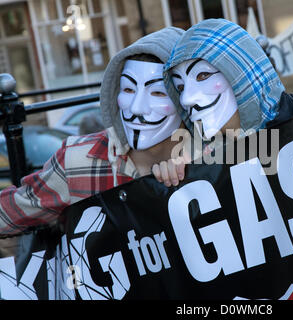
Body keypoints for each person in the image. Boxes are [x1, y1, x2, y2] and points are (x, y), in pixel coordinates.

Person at [0, 27, 184, 236]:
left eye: (158, 92)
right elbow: (11, 211)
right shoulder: (78, 161)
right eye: (129, 90)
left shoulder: (211, 157)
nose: (136, 108)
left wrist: (200, 173)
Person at [152, 18, 293, 186]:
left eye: (202, 76)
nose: (186, 98)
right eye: (180, 88)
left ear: (242, 71)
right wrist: (182, 183)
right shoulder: (212, 167)